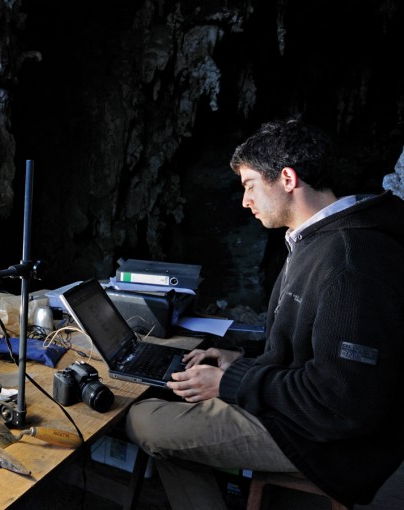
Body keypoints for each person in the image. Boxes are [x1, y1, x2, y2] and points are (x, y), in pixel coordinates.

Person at [125, 119, 404, 509]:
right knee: (170, 400)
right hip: (301, 415)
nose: (245, 201)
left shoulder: (349, 262)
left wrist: (229, 382)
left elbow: (340, 401)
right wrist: (238, 361)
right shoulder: (314, 240)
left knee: (144, 422)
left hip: (326, 441)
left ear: (287, 179)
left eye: (250, 185)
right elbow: (307, 354)